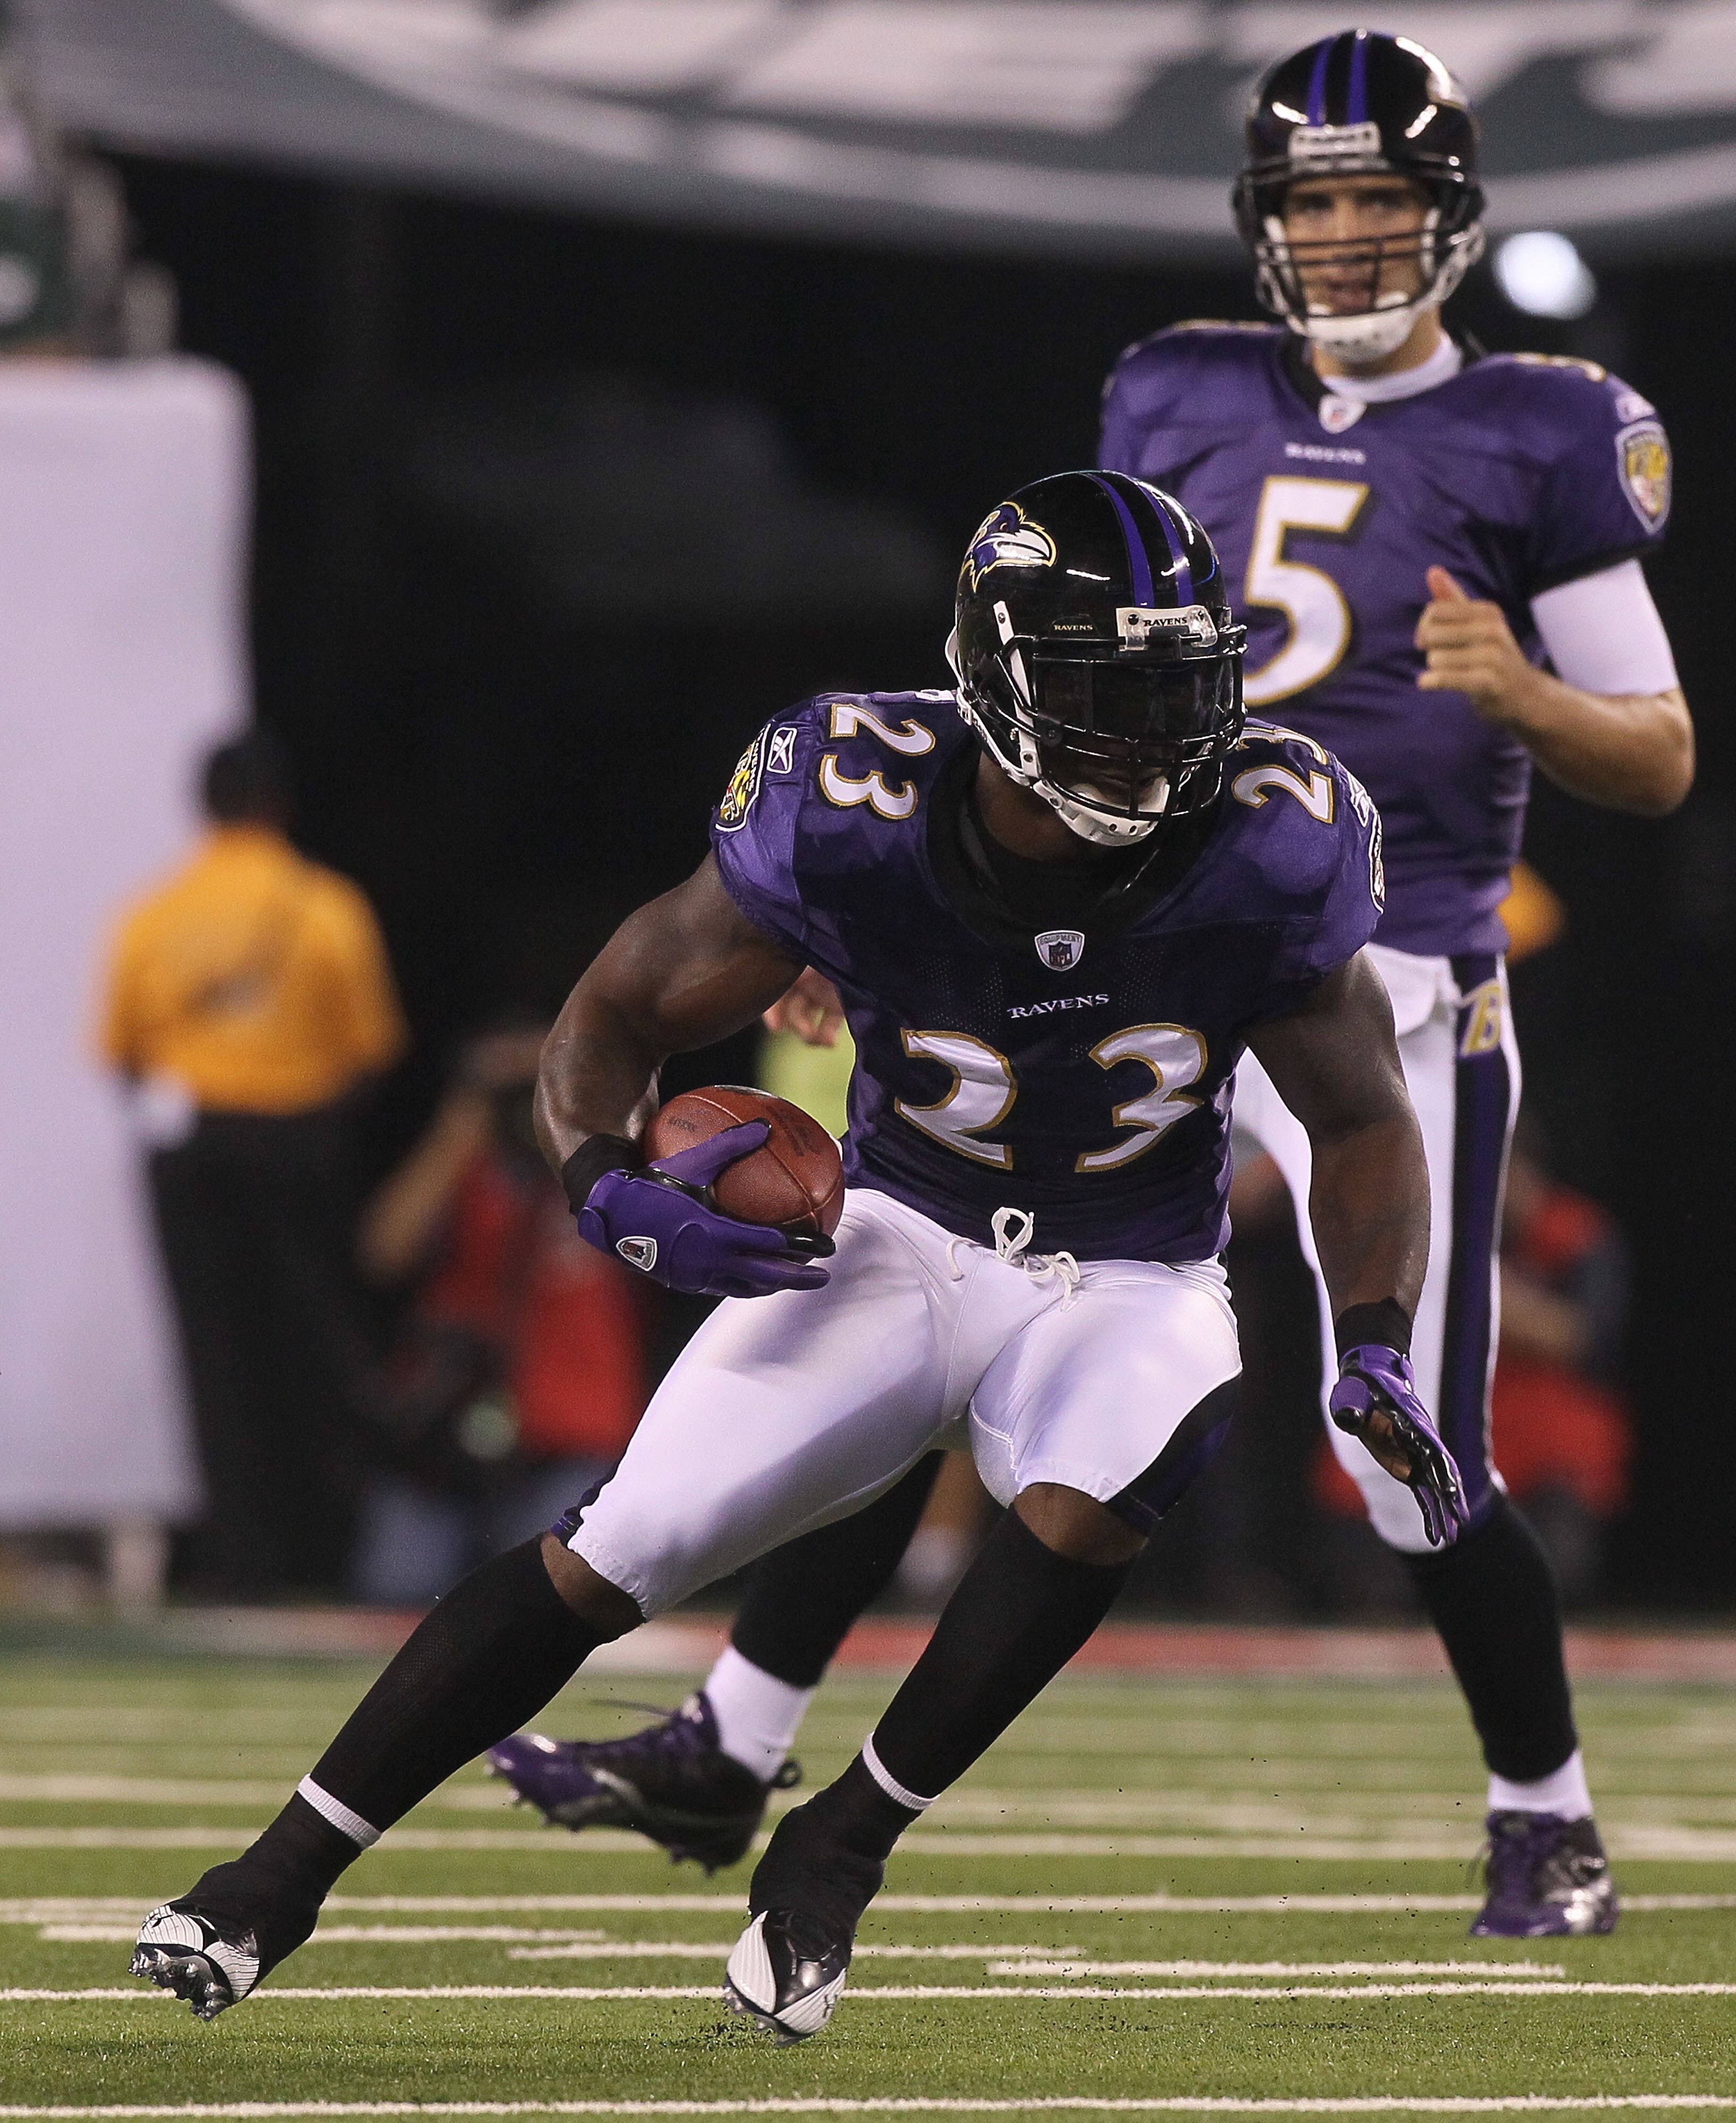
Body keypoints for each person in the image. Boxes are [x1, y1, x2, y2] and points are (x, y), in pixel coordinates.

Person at [491, 29, 1692, 1942]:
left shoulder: (1544, 427)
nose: (1351, 232)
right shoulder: (1178, 389)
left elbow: (1655, 752)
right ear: (1263, 217)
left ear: (1446, 212)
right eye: (1315, 198)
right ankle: (737, 1729)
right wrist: (873, 883)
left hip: (1385, 965)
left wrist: (1520, 693)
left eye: (1381, 195)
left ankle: (1540, 1805)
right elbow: (1007, 651)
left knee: (1401, 1436)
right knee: (927, 1288)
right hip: (1149, 924)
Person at [131, 470, 1462, 2043]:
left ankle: (838, 1842)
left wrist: (1374, 1334)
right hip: (899, 1228)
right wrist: (606, 1184)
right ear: (998, 678)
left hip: (1127, 1265)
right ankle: (274, 1873)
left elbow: (1364, 1120)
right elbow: (618, 1008)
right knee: (616, 1550)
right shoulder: (850, 800)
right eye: (1107, 697)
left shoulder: (1270, 839)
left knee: (1116, 1465)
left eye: (1179, 694)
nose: (1152, 739)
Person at [100, 732, 408, 1595]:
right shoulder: (326, 907)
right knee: (315, 1347)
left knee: (217, 1354)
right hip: (298, 1144)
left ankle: (244, 1561)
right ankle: (329, 1558)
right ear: (278, 804)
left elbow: (120, 1051)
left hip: (194, 1153)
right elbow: (372, 1048)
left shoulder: (152, 914)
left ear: (203, 806)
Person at [351, 1023, 650, 1603]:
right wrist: (467, 1116)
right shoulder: (467, 1166)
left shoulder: (610, 1170)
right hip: (447, 1429)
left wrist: (579, 1103)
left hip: (571, 1431)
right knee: (397, 1590)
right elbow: (385, 1249)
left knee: (546, 1604)